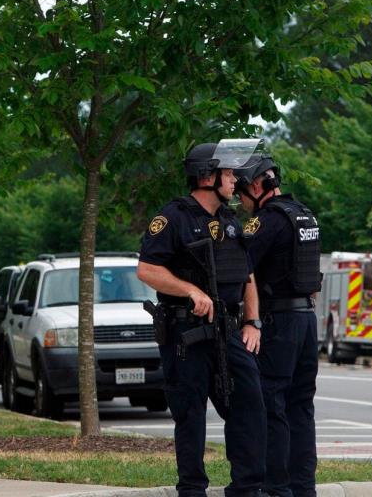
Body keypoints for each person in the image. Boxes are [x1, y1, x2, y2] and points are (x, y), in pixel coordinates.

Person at [137, 140, 267, 497]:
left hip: (228, 332)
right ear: (206, 177)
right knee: (190, 415)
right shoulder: (173, 218)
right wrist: (190, 291)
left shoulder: (229, 221)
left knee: (250, 405)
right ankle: (192, 489)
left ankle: (247, 488)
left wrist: (251, 322)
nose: (234, 181)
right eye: (227, 174)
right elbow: (147, 270)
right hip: (186, 334)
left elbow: (247, 275)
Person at [235, 152, 322, 497]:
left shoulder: (267, 220)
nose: (240, 201)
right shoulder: (304, 214)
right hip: (306, 320)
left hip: (279, 321)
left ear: (257, 186)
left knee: (273, 405)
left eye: (242, 192)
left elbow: (241, 264)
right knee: (302, 407)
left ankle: (277, 488)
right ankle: (304, 488)